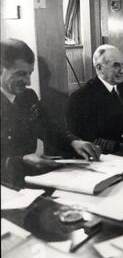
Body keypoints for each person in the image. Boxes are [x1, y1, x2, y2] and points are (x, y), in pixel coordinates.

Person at [1, 38, 100, 188]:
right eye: (20, 74)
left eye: (29, 73)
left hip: (28, 181)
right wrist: (20, 161)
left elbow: (48, 128)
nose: (27, 82)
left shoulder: (28, 97)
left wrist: (73, 141)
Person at [67, 45, 123, 153]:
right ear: (99, 68)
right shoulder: (81, 97)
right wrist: (121, 147)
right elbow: (85, 138)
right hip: (105, 157)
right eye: (116, 66)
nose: (122, 71)